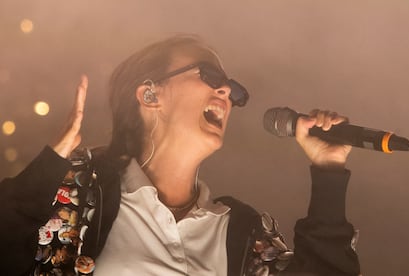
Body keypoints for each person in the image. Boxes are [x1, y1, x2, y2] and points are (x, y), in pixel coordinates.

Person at [0, 35, 360, 275]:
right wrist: (46, 170)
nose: (225, 91)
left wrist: (328, 171)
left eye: (232, 89)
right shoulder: (77, 189)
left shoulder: (241, 230)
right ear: (150, 96)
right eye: (209, 75)